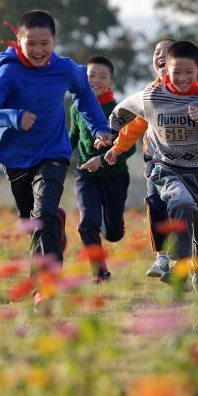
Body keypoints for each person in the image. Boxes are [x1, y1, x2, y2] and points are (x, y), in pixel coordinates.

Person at [0, 9, 112, 296]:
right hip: (16, 158)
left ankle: (45, 287)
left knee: (43, 216)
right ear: (19, 41)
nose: (38, 50)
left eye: (45, 43)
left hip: (53, 153)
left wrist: (100, 126)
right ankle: (53, 227)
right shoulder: (9, 72)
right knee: (32, 220)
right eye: (31, 43)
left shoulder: (66, 69)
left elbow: (84, 97)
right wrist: (13, 117)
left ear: (55, 40)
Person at [106, 41, 198, 294]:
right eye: (177, 72)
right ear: (166, 70)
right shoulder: (152, 96)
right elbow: (122, 111)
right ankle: (180, 264)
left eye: (189, 72)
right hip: (165, 167)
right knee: (180, 203)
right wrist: (110, 134)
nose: (182, 77)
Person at [69, 55, 135, 282]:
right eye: (90, 76)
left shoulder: (119, 112)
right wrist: (54, 155)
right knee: (87, 224)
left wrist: (104, 160)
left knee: (113, 233)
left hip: (114, 176)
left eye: (102, 76)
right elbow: (73, 137)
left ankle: (114, 226)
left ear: (110, 81)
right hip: (85, 175)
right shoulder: (76, 107)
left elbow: (129, 149)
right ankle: (100, 273)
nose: (95, 80)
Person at [144, 39, 175, 279]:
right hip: (153, 160)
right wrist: (114, 147)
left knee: (182, 207)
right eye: (157, 52)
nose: (161, 56)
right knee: (155, 202)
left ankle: (189, 259)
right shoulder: (148, 93)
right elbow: (133, 124)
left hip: (185, 163)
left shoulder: (192, 92)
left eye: (167, 52)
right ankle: (162, 258)